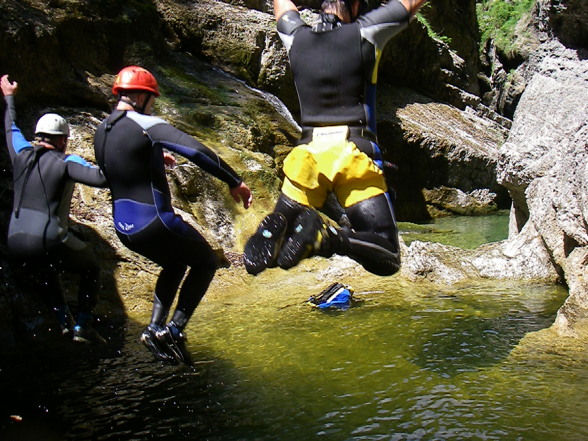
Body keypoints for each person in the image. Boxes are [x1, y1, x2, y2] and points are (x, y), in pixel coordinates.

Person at [244, 0, 427, 277]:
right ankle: (328, 237)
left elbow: (282, 7)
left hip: (308, 156)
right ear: (355, 6)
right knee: (388, 253)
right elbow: (410, 4)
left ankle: (277, 224)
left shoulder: (296, 37)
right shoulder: (365, 32)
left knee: (283, 237)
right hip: (351, 153)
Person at [94, 66, 252, 365]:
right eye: (152, 99)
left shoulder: (102, 130)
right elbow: (195, 150)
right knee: (206, 262)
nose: (153, 105)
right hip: (154, 222)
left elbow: (112, 171)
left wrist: (153, 154)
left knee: (176, 262)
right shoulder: (144, 123)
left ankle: (154, 328)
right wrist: (234, 181)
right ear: (141, 96)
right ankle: (174, 331)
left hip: (124, 228)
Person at [1, 74, 108, 343]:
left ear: (38, 136)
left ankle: (62, 321)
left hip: (14, 242)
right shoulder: (66, 161)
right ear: (62, 140)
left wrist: (9, 97)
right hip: (49, 239)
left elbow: (10, 126)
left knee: (46, 269)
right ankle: (84, 326)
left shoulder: (21, 153)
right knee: (91, 267)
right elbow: (102, 178)